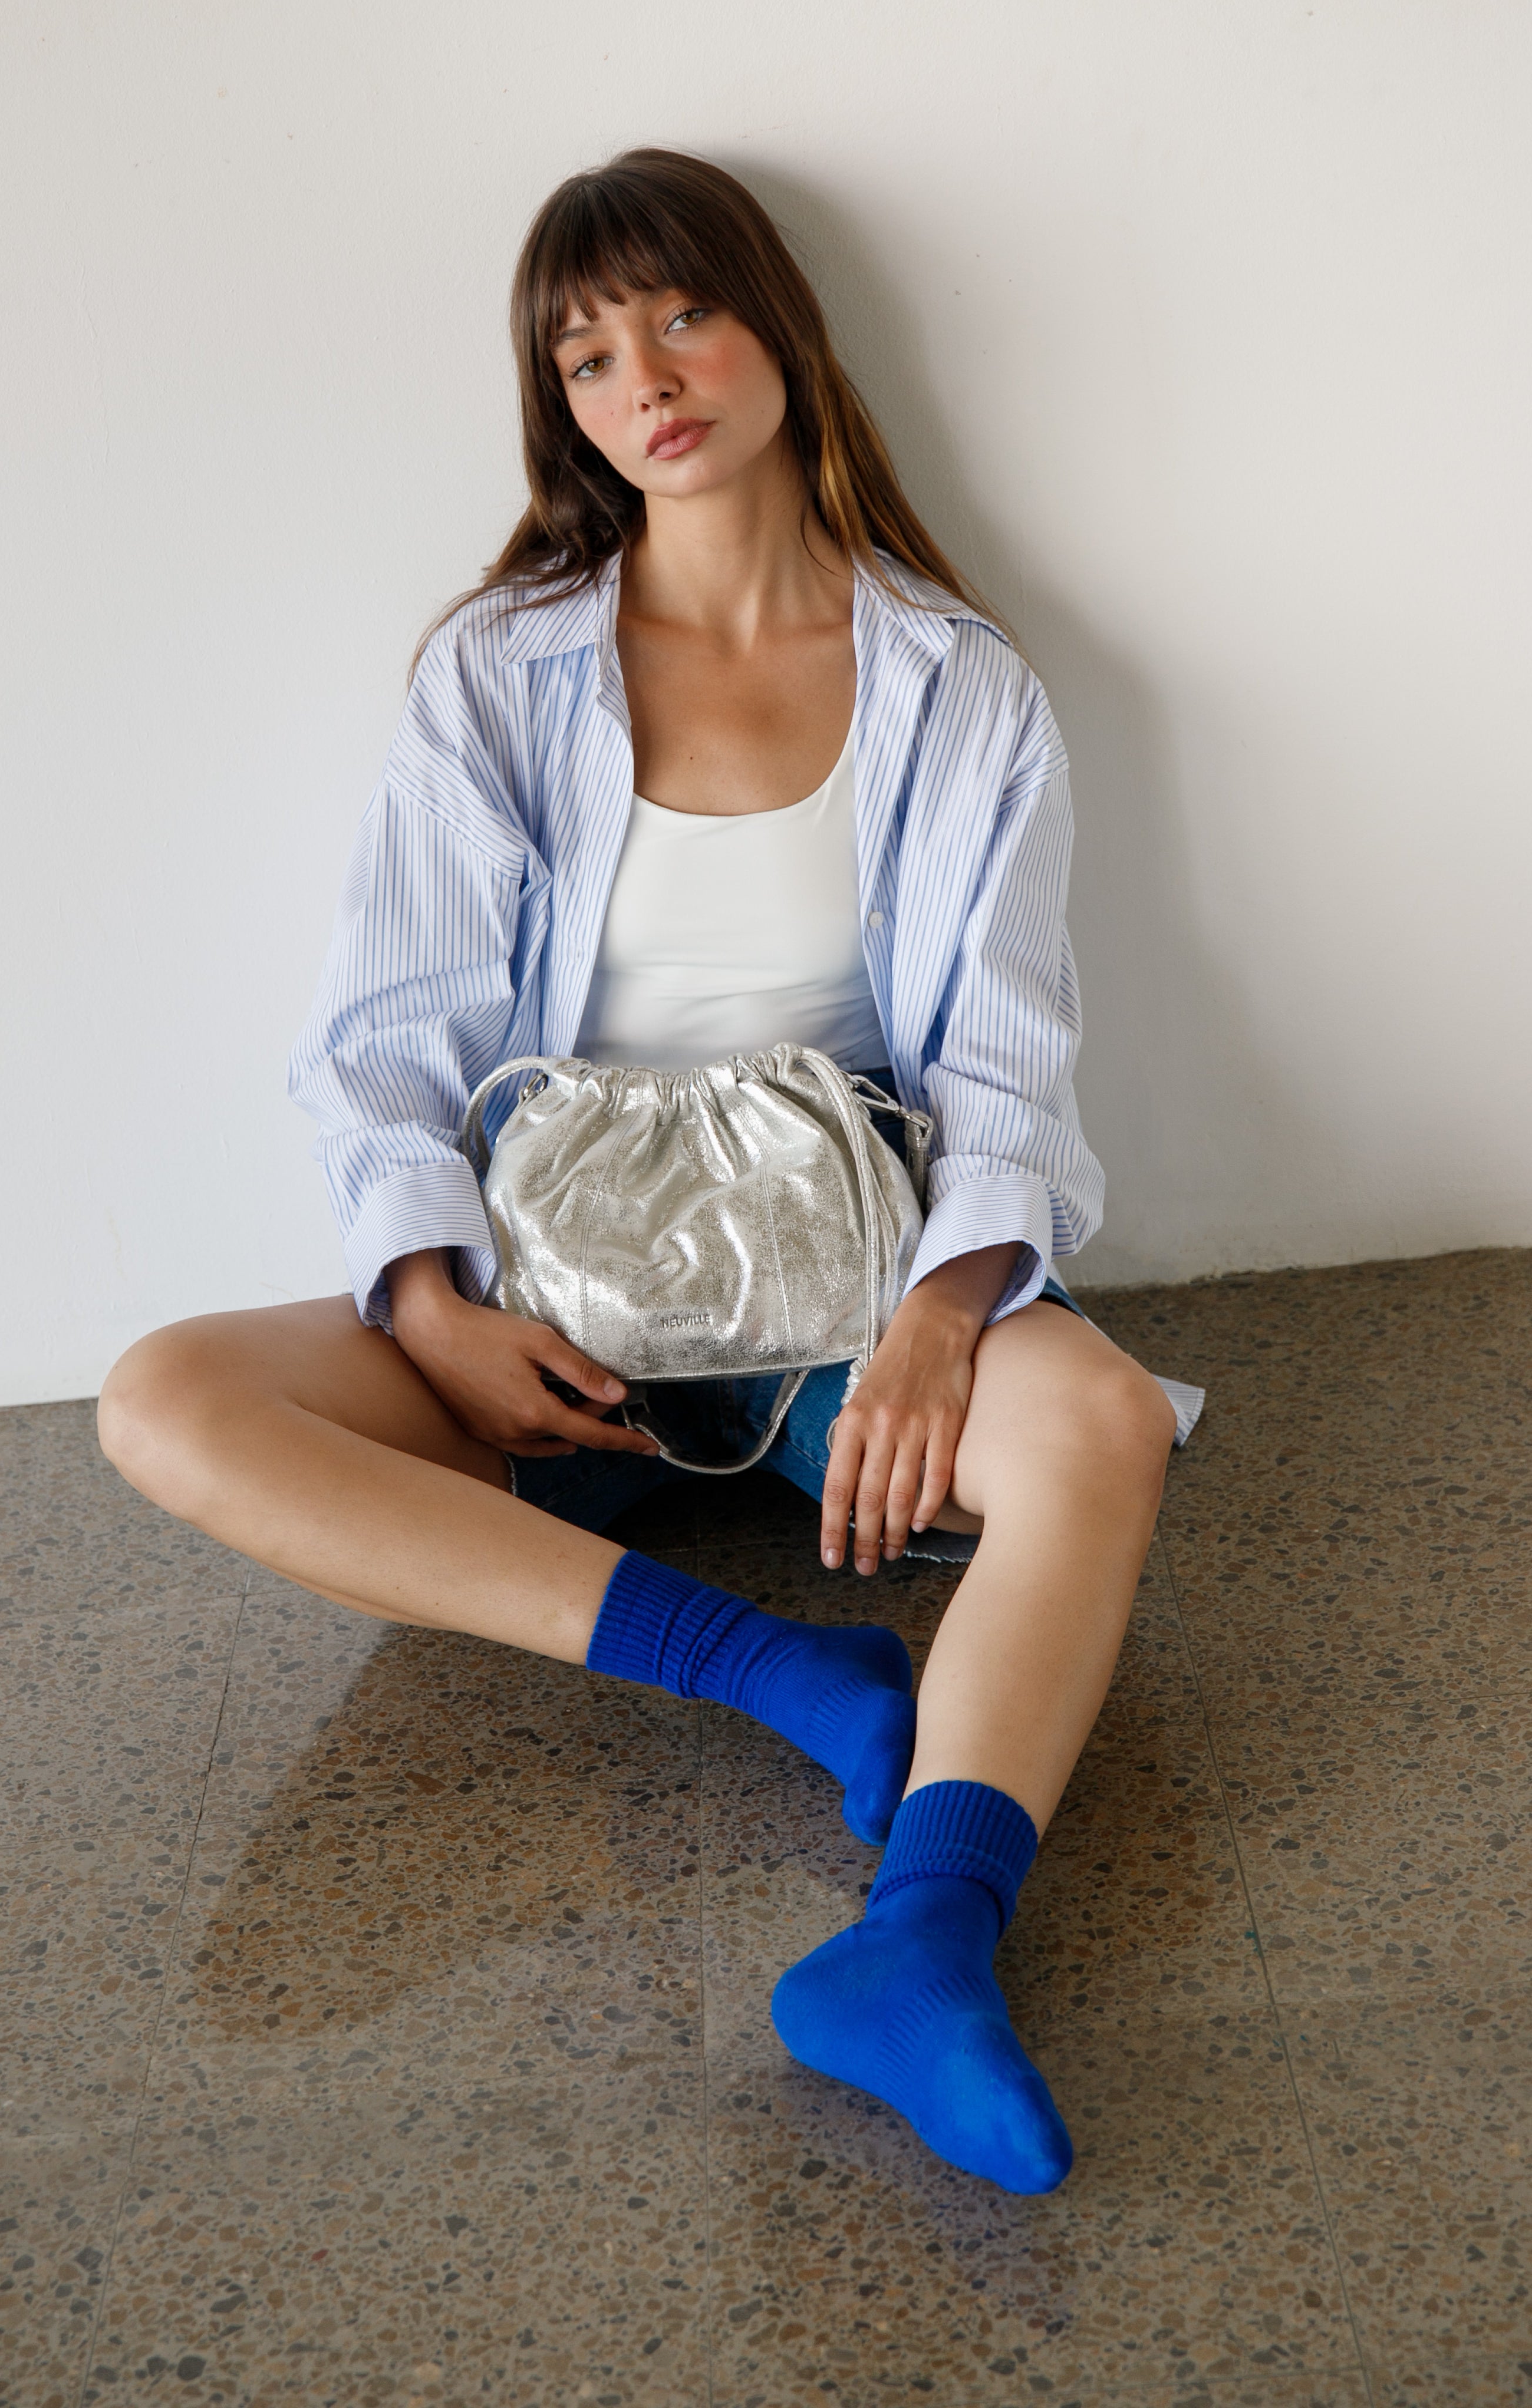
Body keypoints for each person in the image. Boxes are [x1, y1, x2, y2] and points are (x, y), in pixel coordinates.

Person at [97, 146, 1180, 2196]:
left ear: (774, 322)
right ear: (560, 410)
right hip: (554, 1308)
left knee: (1104, 1423)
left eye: (679, 313)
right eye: (585, 353)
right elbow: (383, 1039)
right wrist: (430, 1305)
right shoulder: (500, 670)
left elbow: (1009, 1060)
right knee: (168, 1396)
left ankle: (922, 1950)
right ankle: (797, 1676)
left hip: (837, 1295)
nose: (644, 378)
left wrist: (948, 1316)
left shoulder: (964, 685)